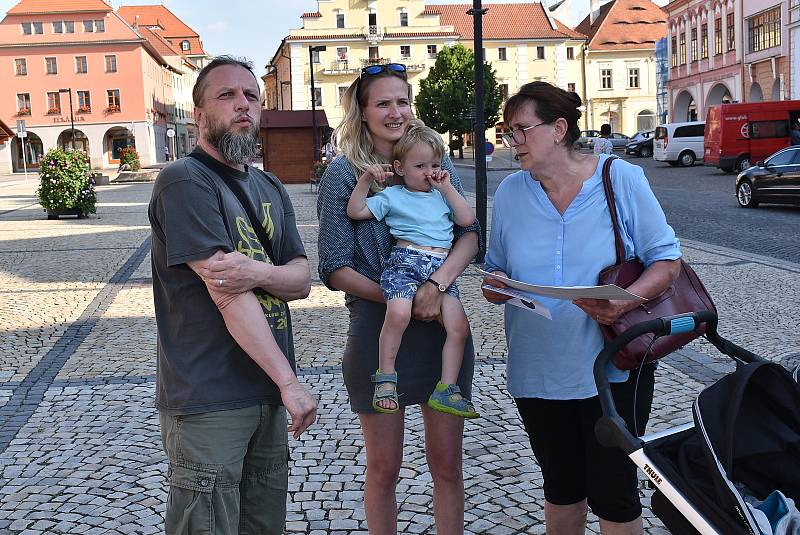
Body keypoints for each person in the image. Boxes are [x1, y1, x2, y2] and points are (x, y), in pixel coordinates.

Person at [481, 81, 681, 535]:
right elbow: (497, 268)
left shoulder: (620, 178)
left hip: (612, 368)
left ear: (558, 129)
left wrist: (626, 302)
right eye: (508, 131)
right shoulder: (511, 193)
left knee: (614, 491)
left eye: (520, 131)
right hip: (537, 368)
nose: (513, 143)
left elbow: (667, 261)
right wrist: (497, 286)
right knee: (561, 486)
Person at [148, 56, 317, 535]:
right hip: (211, 396)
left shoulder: (269, 185)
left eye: (250, 96)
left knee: (264, 526)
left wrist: (254, 270)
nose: (242, 104)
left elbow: (302, 279)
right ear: (199, 115)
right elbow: (227, 294)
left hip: (264, 392)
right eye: (226, 96)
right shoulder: (185, 181)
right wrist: (289, 383)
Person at [317, 62, 480, 534]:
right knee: (384, 469)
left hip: (438, 330)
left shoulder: (435, 164)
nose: (396, 112)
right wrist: (400, 298)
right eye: (383, 103)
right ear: (362, 113)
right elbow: (334, 266)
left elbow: (469, 233)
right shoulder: (344, 176)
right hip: (379, 329)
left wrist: (436, 287)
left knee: (447, 467)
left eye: (402, 101)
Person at [345, 119, 478, 418]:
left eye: (434, 164)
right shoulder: (393, 196)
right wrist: (365, 181)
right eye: (420, 166)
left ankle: (447, 388)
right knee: (399, 314)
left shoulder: (443, 197)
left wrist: (448, 189)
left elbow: (467, 221)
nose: (429, 172)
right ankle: (386, 378)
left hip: (439, 267)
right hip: (406, 262)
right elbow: (355, 211)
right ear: (400, 168)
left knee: (459, 329)